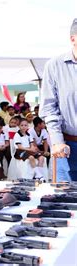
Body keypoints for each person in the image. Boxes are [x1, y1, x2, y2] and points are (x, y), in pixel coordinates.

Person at [40, 18, 77, 181]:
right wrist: (57, 141)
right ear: (73, 39)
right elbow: (49, 108)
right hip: (68, 145)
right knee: (66, 201)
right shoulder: (55, 66)